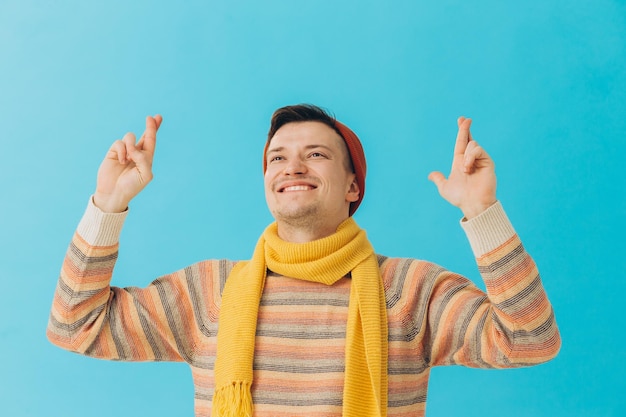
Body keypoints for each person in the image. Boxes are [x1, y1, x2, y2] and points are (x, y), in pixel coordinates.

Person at [47, 104, 561, 417]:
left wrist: (482, 211)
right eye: (277, 157)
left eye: (316, 154)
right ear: (267, 182)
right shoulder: (210, 291)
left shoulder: (410, 289)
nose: (291, 164)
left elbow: (529, 341)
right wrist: (108, 205)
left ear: (353, 186)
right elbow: (77, 326)